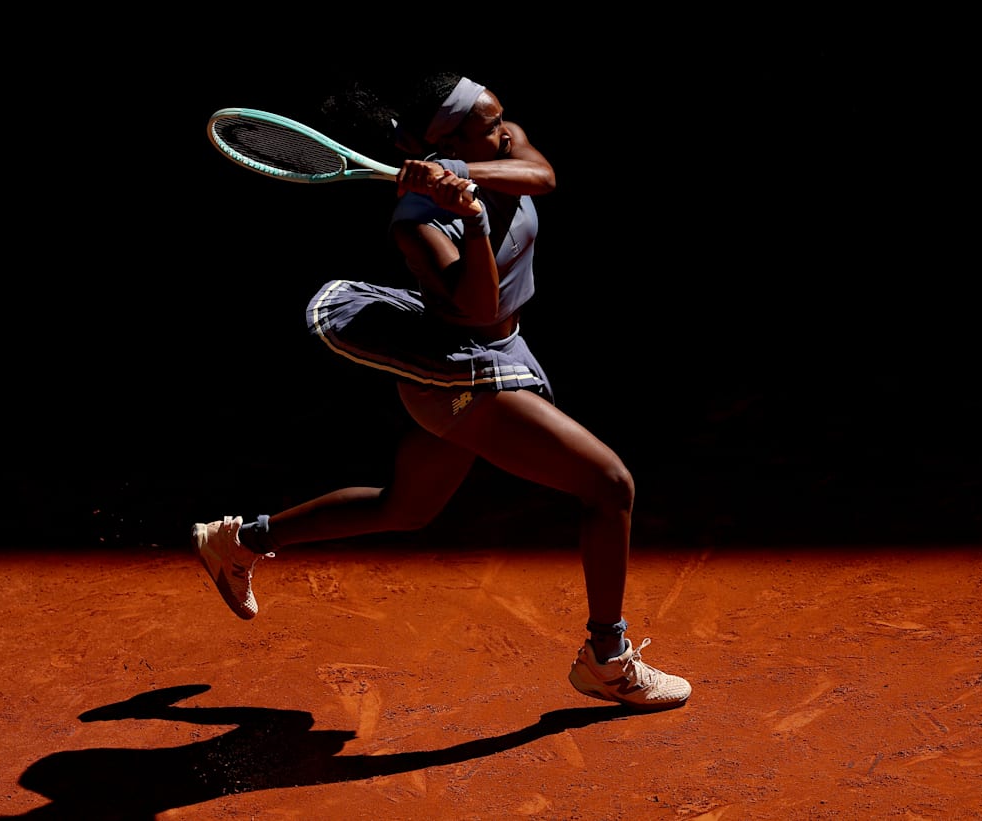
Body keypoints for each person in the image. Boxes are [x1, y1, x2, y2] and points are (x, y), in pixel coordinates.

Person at [192, 72, 691, 711]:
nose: (505, 131)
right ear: (449, 138)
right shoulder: (415, 224)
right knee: (609, 484)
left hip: (499, 352)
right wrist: (472, 219)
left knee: (405, 508)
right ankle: (607, 657)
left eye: (500, 118)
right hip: (458, 377)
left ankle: (240, 541)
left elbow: (543, 176)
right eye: (489, 123)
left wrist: (463, 174)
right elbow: (477, 309)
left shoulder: (496, 149)